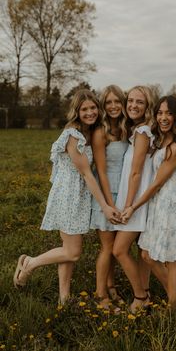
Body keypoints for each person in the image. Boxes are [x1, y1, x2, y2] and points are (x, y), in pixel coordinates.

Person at [13, 89, 119, 304]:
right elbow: (87, 174)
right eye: (84, 109)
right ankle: (30, 263)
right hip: (68, 195)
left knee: (68, 248)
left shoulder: (90, 132)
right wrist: (105, 206)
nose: (90, 112)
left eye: (92, 108)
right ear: (76, 112)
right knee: (73, 252)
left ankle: (64, 298)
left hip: (79, 195)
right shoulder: (74, 134)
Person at [121, 95, 176, 309]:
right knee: (146, 254)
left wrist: (132, 207)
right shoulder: (162, 140)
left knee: (171, 260)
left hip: (171, 207)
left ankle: (173, 308)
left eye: (169, 113)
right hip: (159, 205)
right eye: (160, 113)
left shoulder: (175, 147)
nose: (163, 117)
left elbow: (156, 184)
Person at [112, 85, 155, 313]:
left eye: (139, 102)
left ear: (147, 106)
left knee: (119, 250)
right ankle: (145, 291)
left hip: (135, 202)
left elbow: (136, 172)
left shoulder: (142, 132)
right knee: (141, 251)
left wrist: (129, 206)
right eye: (130, 100)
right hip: (136, 199)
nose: (133, 105)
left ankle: (140, 297)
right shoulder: (138, 131)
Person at [90, 85, 128, 309]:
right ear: (104, 106)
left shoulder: (125, 130)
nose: (113, 106)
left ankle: (112, 286)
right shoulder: (100, 132)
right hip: (106, 194)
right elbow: (101, 171)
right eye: (108, 102)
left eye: (117, 101)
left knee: (116, 245)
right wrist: (110, 204)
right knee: (107, 247)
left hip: (123, 191)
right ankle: (100, 295)